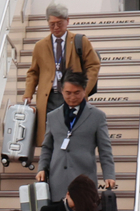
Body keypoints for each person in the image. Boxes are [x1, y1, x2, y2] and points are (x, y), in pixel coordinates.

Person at [24, 1, 101, 147]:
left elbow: (93, 65)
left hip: (72, 96)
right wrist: (28, 93)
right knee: (50, 138)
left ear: (67, 21)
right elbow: (33, 72)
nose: (56, 27)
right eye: (52, 24)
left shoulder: (80, 41)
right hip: (49, 98)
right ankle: (50, 168)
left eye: (59, 23)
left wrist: (85, 90)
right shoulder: (40, 46)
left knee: (73, 136)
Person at [34, 72, 116, 201]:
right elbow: (47, 147)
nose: (72, 97)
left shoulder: (97, 116)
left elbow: (105, 149)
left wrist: (109, 175)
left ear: (84, 91)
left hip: (84, 181)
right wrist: (42, 168)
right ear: (62, 91)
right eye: (68, 93)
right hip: (57, 182)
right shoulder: (52, 116)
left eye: (77, 92)